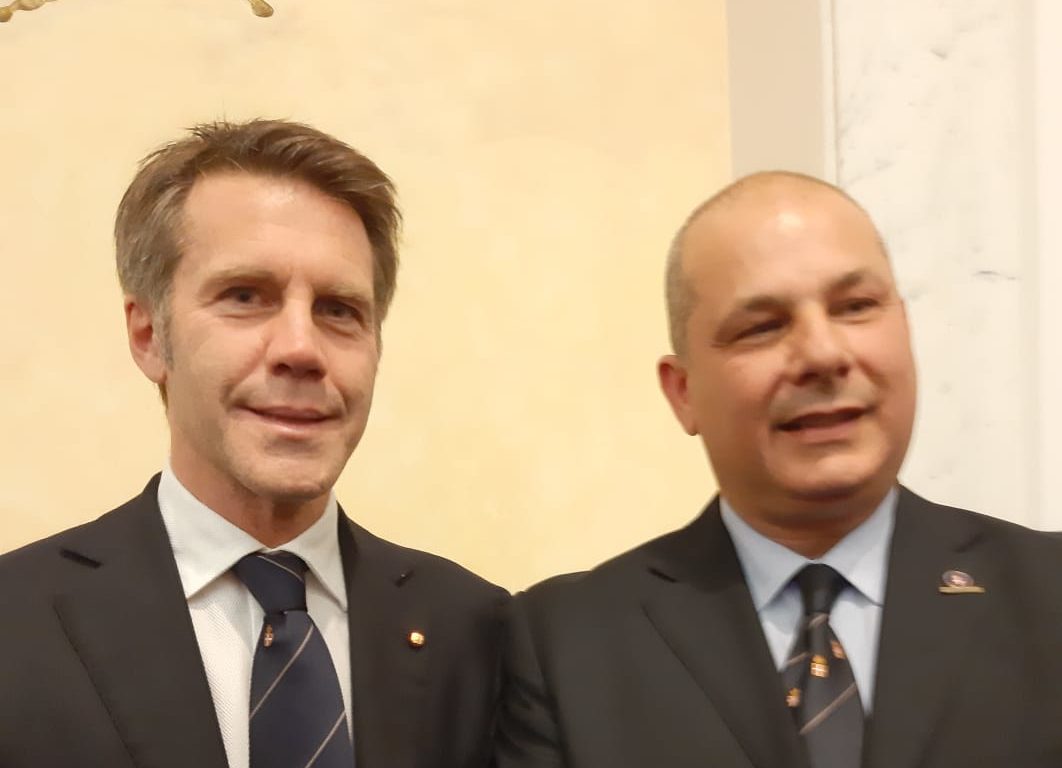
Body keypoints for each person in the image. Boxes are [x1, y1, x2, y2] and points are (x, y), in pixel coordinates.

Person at [494, 171, 1062, 768]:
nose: (823, 354)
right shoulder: (569, 645)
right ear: (683, 392)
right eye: (762, 327)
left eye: (856, 307)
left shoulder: (1048, 596)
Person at [0, 119, 506, 768]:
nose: (301, 348)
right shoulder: (17, 624)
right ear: (149, 335)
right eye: (245, 296)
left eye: (339, 310)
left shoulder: (479, 634)